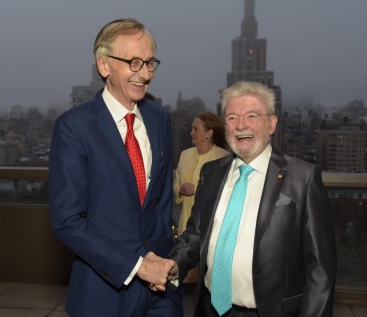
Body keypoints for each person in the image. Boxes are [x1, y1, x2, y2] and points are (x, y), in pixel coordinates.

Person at [167, 81, 336, 317]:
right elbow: (196, 233)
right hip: (210, 309)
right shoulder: (211, 173)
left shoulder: (302, 179)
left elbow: (321, 271)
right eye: (232, 118)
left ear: (272, 123)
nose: (241, 125)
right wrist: (173, 265)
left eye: (252, 116)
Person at [49, 18, 182, 317]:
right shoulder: (74, 128)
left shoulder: (160, 119)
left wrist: (165, 262)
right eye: (134, 62)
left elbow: (160, 203)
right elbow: (67, 221)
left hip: (162, 295)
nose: (145, 74)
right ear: (104, 65)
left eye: (150, 63)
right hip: (105, 294)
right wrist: (138, 266)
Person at [173, 112, 230, 284]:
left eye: (195, 129)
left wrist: (196, 189)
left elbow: (224, 190)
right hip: (186, 223)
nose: (191, 133)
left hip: (211, 227)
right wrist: (181, 190)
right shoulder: (185, 155)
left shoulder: (223, 157)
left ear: (209, 133)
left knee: (208, 278)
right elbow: (176, 182)